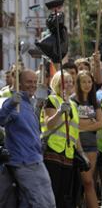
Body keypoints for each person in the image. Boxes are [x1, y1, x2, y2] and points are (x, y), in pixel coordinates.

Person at [0, 69, 56, 207]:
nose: (33, 85)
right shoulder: (12, 103)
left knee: (42, 203)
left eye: (35, 82)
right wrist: (11, 103)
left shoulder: (29, 104)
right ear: (19, 83)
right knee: (41, 203)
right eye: (29, 82)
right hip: (23, 161)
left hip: (36, 159)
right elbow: (1, 119)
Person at [42, 70, 83, 208]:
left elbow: (75, 132)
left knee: (64, 195)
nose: (70, 84)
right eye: (67, 82)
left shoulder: (74, 104)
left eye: (72, 81)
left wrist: (81, 153)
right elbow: (49, 124)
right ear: (58, 84)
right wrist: (60, 112)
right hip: (53, 151)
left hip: (68, 153)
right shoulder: (51, 100)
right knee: (52, 192)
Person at [71, 70, 102, 208]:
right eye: (83, 81)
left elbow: (101, 123)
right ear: (78, 83)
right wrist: (90, 123)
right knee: (79, 183)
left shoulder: (94, 101)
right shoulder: (72, 100)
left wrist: (83, 125)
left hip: (91, 146)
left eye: (89, 81)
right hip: (76, 147)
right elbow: (73, 124)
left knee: (89, 182)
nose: (87, 84)